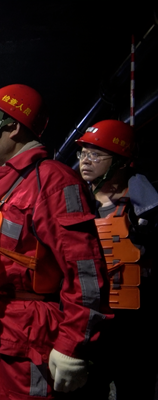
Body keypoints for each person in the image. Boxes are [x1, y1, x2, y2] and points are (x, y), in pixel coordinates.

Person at [0, 84, 112, 399]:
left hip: (24, 344)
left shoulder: (52, 180)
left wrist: (72, 346)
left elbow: (85, 272)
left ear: (11, 126)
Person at [76, 119, 158, 399]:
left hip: (135, 326)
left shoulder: (146, 208)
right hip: (90, 319)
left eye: (96, 154)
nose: (85, 161)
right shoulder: (75, 203)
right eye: (83, 153)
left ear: (122, 161)